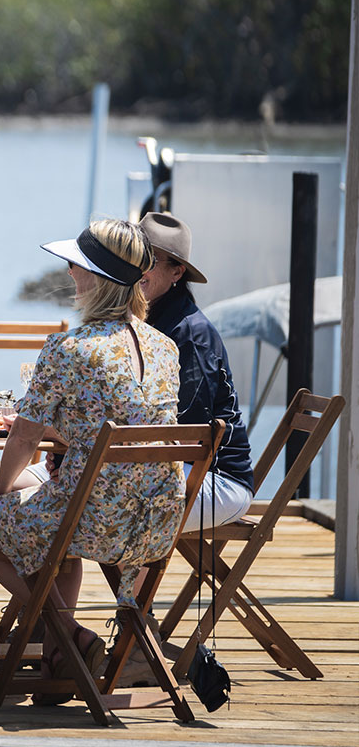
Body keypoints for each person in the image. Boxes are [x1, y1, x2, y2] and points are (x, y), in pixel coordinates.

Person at [0, 218, 180, 704]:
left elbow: (25, 434)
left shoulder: (70, 347)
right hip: (152, 526)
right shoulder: (165, 348)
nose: (67, 270)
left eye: (76, 264)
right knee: (51, 524)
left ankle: (68, 635)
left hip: (89, 520)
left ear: (96, 279)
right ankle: (61, 654)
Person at [137, 212, 255, 527]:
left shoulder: (188, 333)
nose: (137, 266)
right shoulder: (143, 318)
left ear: (177, 272)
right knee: (62, 490)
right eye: (134, 254)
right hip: (162, 466)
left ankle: (134, 576)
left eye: (149, 258)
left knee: (103, 500)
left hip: (216, 479)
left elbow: (187, 428)